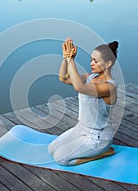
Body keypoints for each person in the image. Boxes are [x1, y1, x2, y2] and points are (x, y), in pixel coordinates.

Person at [47, 38, 119, 166]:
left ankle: (103, 152)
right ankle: (96, 151)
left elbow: (79, 87)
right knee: (51, 149)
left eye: (96, 61)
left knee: (61, 159)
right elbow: (63, 78)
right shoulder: (89, 77)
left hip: (98, 137)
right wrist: (65, 59)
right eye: (91, 59)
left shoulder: (109, 87)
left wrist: (71, 60)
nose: (91, 63)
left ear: (107, 64)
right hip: (81, 129)